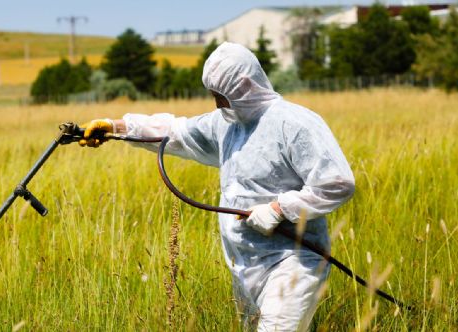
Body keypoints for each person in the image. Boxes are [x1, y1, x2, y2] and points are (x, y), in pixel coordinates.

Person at [79, 42, 355, 331]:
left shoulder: (295, 124)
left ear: (246, 85)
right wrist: (116, 127)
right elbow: (175, 132)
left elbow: (336, 183)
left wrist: (278, 209)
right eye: (214, 97)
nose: (218, 104)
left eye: (222, 97)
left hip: (293, 262)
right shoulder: (227, 124)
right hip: (244, 265)